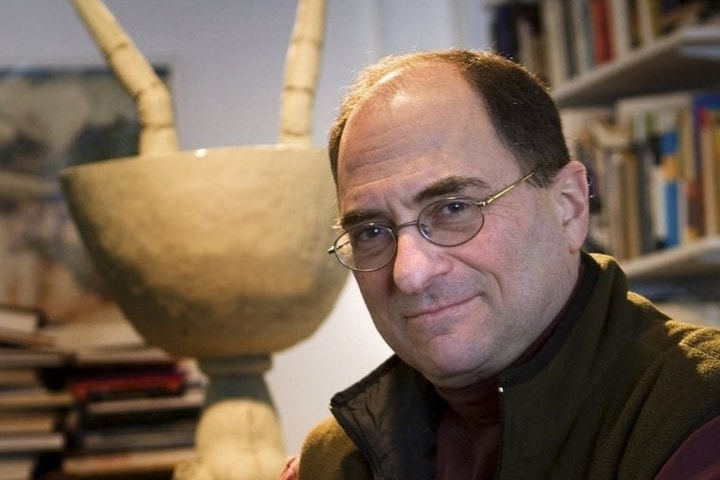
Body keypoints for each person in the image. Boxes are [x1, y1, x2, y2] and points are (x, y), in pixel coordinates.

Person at [279, 49, 720, 480]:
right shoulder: (331, 460)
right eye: (371, 232)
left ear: (568, 207)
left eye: (453, 208)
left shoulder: (697, 410)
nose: (409, 273)